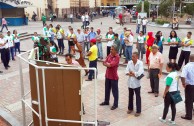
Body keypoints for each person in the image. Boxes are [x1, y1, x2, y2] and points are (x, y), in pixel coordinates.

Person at [100, 44, 120, 110]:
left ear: (116, 51)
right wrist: (107, 64)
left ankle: (115, 104)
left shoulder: (117, 57)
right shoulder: (109, 55)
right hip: (108, 75)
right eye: (110, 49)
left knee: (115, 91)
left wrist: (107, 64)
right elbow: (104, 62)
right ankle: (106, 101)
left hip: (114, 77)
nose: (110, 50)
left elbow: (111, 65)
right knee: (107, 89)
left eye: (112, 49)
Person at [125, 52, 144, 117]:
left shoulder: (140, 63)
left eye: (134, 57)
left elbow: (140, 72)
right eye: (132, 56)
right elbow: (126, 71)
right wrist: (131, 73)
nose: (132, 58)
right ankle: (130, 108)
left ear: (137, 57)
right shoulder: (129, 62)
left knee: (138, 97)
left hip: (137, 83)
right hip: (130, 82)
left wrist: (132, 73)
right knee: (130, 96)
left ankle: (138, 111)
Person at [181, 54, 194, 120]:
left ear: (189, 58)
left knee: (189, 100)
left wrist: (183, 83)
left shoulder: (186, 66)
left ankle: (189, 115)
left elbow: (183, 76)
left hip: (190, 86)